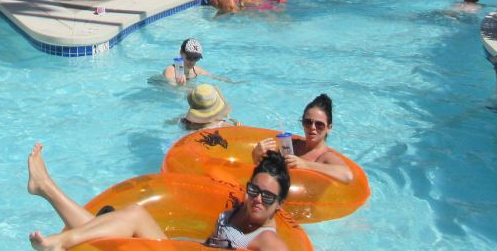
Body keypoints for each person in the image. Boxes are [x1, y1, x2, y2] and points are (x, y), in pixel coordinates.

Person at [26, 142, 290, 250]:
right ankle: (45, 187)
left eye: (267, 197)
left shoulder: (267, 238)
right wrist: (256, 158)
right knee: (114, 230)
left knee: (136, 215)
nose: (257, 199)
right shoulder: (244, 208)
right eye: (254, 190)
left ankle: (59, 235)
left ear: (279, 205)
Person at [251, 94, 354, 184]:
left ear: (329, 128)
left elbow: (347, 175)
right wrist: (256, 156)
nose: (313, 127)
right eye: (308, 122)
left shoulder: (326, 157)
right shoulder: (291, 145)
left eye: (319, 124)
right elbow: (269, 176)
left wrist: (305, 164)